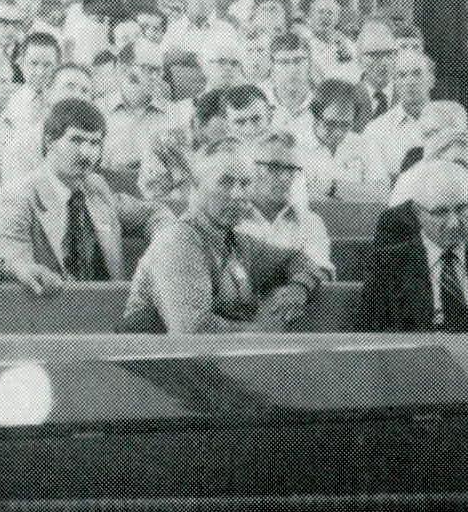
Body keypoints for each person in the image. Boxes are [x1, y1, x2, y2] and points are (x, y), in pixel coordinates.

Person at [120, 136, 329, 334]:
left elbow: (299, 259)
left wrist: (299, 287)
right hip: (157, 358)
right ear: (195, 186)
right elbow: (194, 332)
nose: (238, 194)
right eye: (225, 182)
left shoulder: (238, 243)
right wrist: (263, 333)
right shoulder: (178, 240)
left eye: (245, 184)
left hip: (222, 356)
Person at [0, 98, 174, 291]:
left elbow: (154, 213)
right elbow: (1, 256)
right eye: (76, 140)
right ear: (49, 141)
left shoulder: (96, 188)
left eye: (95, 143)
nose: (86, 153)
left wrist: (167, 246)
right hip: (47, 306)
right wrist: (20, 268)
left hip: (107, 306)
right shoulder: (16, 197)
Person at [359, 160, 468, 333]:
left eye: (461, 209)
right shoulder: (386, 265)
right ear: (417, 212)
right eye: (440, 212)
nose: (454, 223)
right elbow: (368, 336)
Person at [139, 84, 273, 212]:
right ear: (197, 123)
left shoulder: (249, 143)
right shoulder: (163, 144)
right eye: (214, 141)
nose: (222, 147)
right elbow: (154, 198)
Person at [226, 129, 334, 274]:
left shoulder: (310, 223)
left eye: (291, 169)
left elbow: (319, 271)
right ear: (251, 169)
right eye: (274, 167)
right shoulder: (229, 219)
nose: (285, 177)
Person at [101, 44, 187, 174]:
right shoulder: (100, 110)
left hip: (157, 185)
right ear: (124, 69)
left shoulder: (175, 115)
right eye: (149, 69)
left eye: (159, 71)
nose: (156, 77)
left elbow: (181, 170)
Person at [299, 78, 385, 202]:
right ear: (315, 116)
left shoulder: (366, 145)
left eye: (345, 125)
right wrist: (357, 190)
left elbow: (382, 194)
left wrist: (333, 188)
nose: (338, 133)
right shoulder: (296, 146)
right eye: (330, 124)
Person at [363, 49, 435, 180]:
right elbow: (378, 186)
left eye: (417, 73)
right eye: (402, 75)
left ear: (431, 80)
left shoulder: (451, 123)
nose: (410, 81)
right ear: (395, 83)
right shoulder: (375, 131)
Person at [162, 0, 235, 64]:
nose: (203, 1)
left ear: (214, 4)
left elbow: (236, 63)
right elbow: (162, 61)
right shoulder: (173, 29)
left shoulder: (226, 30)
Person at [301, 0, 361, 82]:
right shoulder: (304, 43)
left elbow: (356, 67)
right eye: (321, 12)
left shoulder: (345, 42)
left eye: (330, 13)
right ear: (311, 16)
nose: (325, 17)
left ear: (337, 19)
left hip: (345, 86)